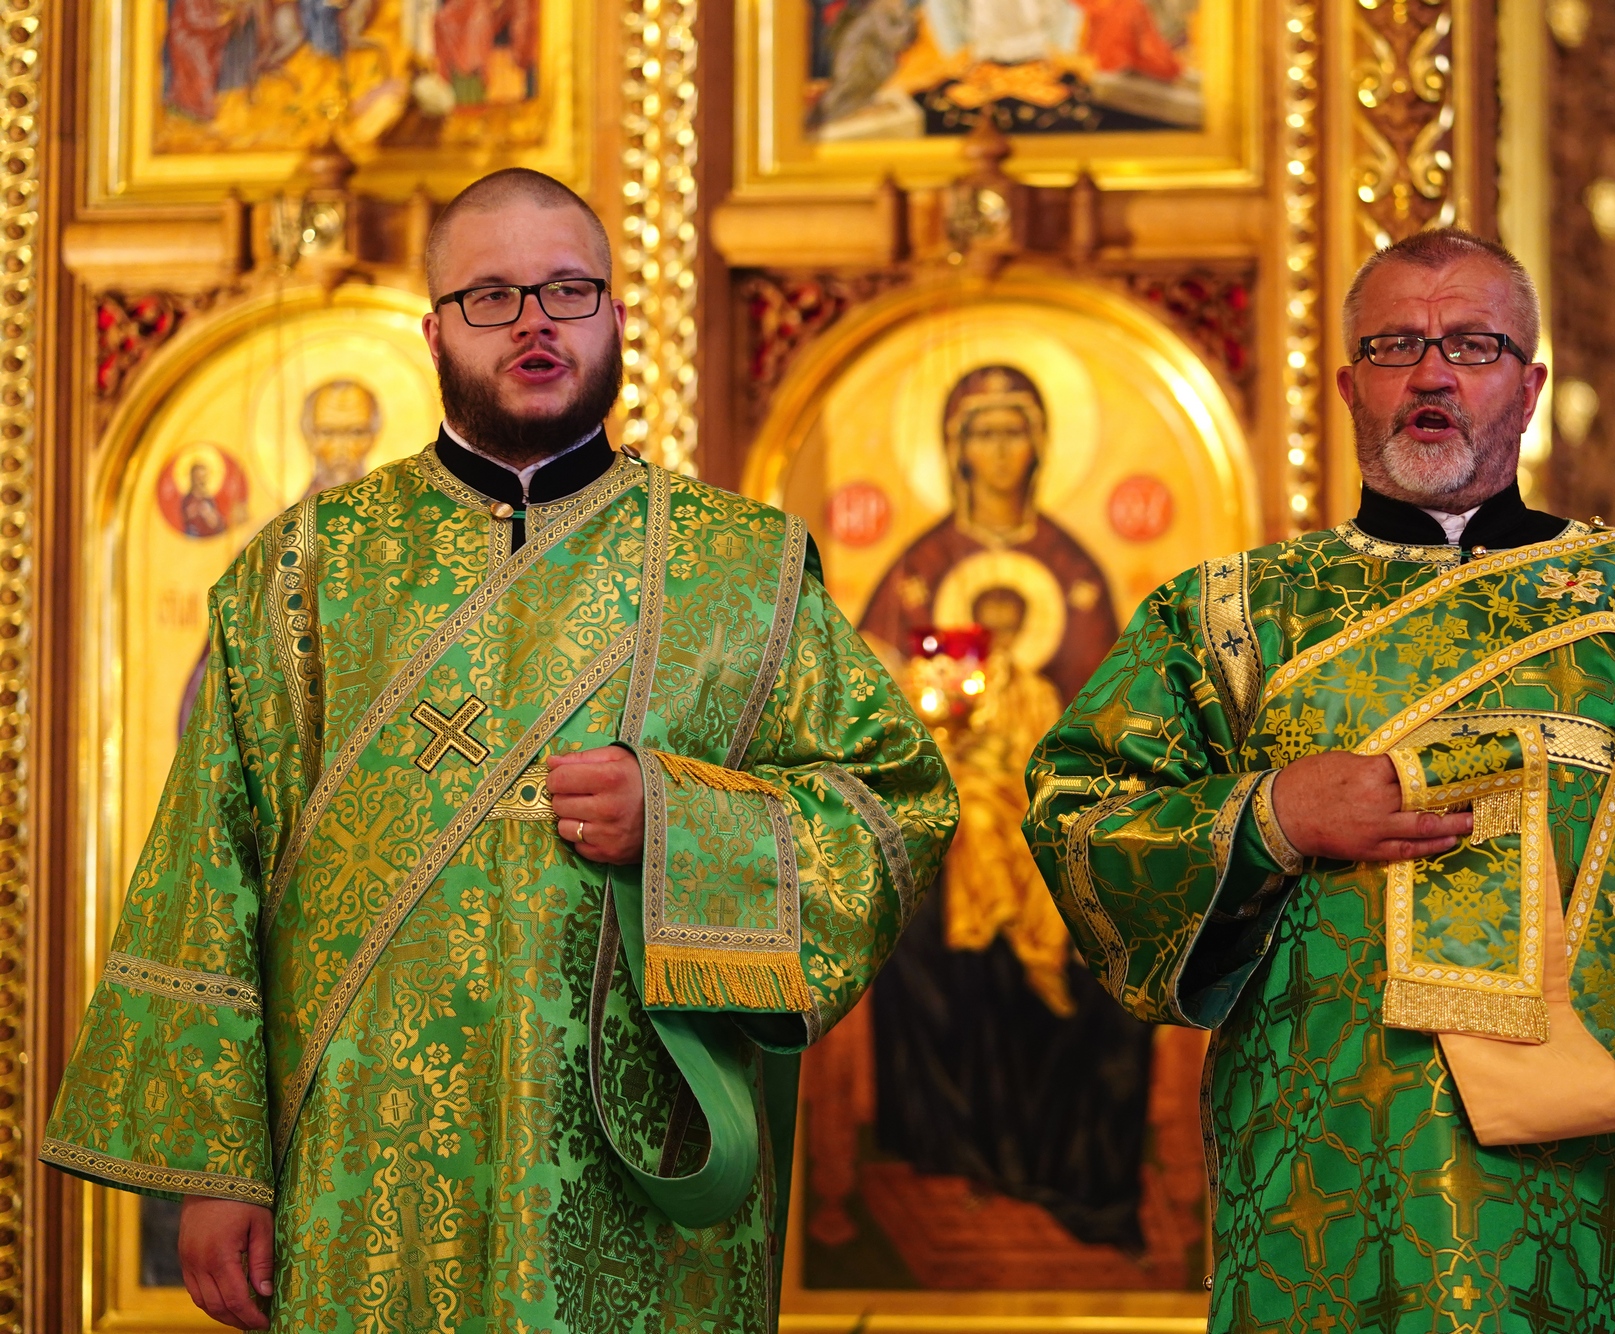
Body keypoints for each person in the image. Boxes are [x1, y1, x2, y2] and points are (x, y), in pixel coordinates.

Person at [42, 167, 957, 1332]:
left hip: (644, 1158)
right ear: (431, 331)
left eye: (568, 289)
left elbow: (896, 804)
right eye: (491, 295)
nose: (534, 319)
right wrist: (223, 1171)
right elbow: (206, 864)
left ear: (616, 316)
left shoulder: (742, 565)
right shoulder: (308, 570)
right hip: (367, 1161)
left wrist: (681, 823)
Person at [1025, 227, 1615, 1331]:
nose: (1430, 372)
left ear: (1528, 385)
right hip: (1321, 1187)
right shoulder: (1227, 614)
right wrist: (1272, 811)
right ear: (1346, 385)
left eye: (1470, 344)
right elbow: (1081, 815)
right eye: (1394, 345)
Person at [860, 363, 1155, 1250]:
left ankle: (1073, 1173)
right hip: (947, 813)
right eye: (980, 431)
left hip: (1052, 818)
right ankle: (950, 1152)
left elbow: (1110, 701)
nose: (998, 450)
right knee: (915, 939)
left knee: (1100, 959)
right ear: (954, 449)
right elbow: (875, 687)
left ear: (1040, 444)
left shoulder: (1071, 569)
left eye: (1012, 429)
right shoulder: (922, 564)